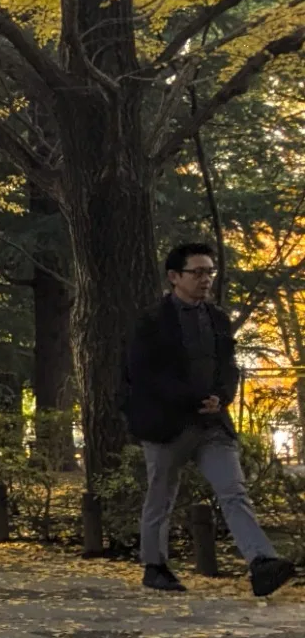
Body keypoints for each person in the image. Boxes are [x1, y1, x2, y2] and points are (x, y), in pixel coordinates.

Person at [127, 243, 295, 597]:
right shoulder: (152, 321)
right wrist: (190, 398)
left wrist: (223, 395)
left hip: (213, 424)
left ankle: (262, 562)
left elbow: (229, 367)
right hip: (167, 425)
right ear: (175, 277)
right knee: (161, 495)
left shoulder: (217, 318)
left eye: (209, 272)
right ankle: (154, 565)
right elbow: (144, 374)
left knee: (234, 491)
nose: (205, 280)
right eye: (197, 272)